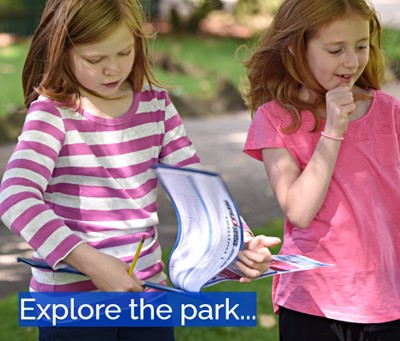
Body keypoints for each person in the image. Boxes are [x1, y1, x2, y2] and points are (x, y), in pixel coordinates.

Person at [0, 0, 280, 340]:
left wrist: (240, 243)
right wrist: (92, 263)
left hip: (147, 297)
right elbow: (16, 198)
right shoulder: (53, 114)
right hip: (71, 306)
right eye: (95, 59)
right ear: (63, 52)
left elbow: (199, 191)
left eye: (123, 53)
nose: (112, 69)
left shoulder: (157, 105)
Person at [242, 0, 400, 340]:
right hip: (311, 306)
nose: (351, 61)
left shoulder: (391, 114)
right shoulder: (274, 119)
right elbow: (299, 210)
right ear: (297, 50)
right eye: (335, 50)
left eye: (360, 46)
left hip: (387, 307)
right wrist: (333, 130)